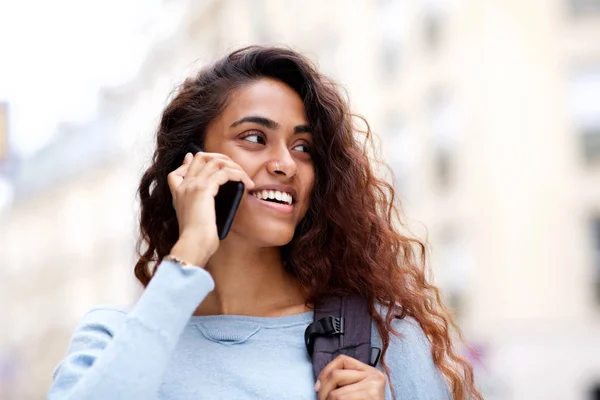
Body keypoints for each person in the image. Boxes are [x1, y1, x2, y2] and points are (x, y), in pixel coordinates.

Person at [47, 46, 481, 400]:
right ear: (190, 164)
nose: (285, 164)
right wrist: (191, 250)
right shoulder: (110, 339)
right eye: (255, 138)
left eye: (303, 147)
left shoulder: (381, 340)